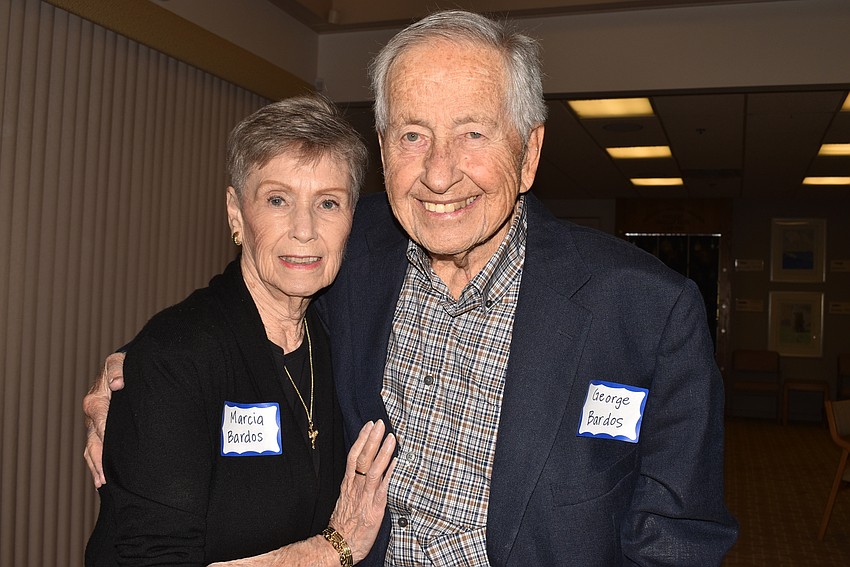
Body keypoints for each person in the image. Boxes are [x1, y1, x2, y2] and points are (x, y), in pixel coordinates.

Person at [85, 10, 738, 566]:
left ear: (530, 151)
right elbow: (251, 290)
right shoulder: (351, 245)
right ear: (382, 143)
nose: (438, 173)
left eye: (473, 133)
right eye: (413, 135)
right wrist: (138, 374)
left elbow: (679, 538)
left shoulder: (648, 310)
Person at [84, 95, 396, 566]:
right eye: (277, 200)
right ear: (236, 212)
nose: (305, 230)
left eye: (328, 203)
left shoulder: (338, 335)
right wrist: (335, 546)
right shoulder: (176, 358)